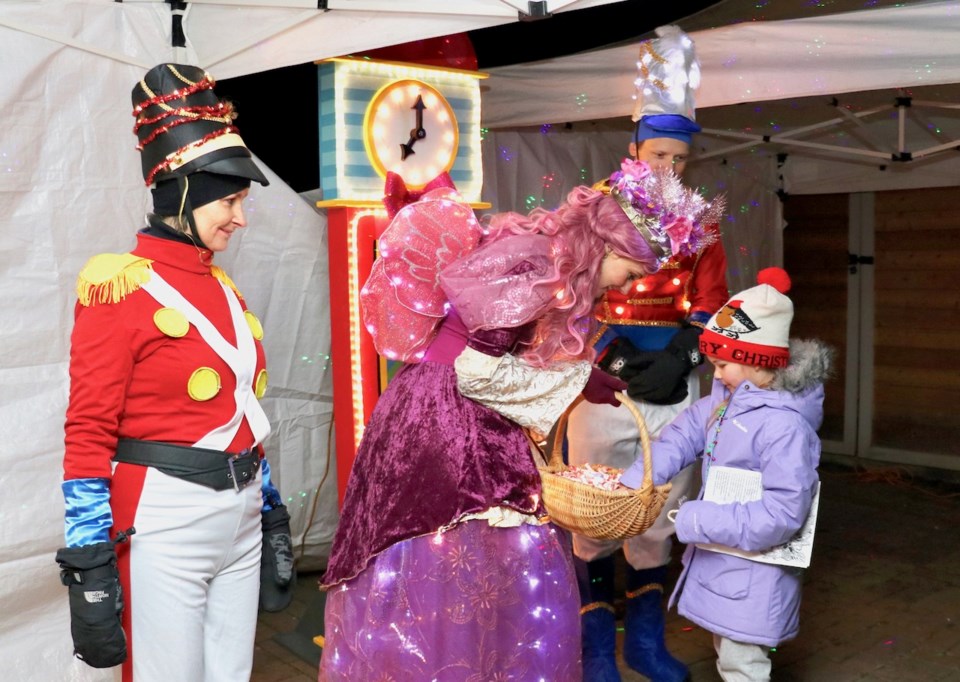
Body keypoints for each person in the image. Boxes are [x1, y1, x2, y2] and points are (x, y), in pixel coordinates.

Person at [317, 157, 722, 680]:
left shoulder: (547, 260)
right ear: (607, 246)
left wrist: (580, 380)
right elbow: (476, 372)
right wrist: (576, 382)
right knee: (456, 575)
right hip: (447, 428)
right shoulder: (536, 262)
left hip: (463, 418)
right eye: (630, 273)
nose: (623, 290)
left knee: (484, 583)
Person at [54, 63, 295, 682]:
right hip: (165, 516)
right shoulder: (119, 287)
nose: (241, 218)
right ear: (183, 192)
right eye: (231, 199)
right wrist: (88, 548)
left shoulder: (224, 287)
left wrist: (267, 506)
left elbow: (240, 406)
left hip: (239, 514)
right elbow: (87, 428)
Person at [565, 25, 729, 682]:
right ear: (633, 148)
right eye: (657, 155)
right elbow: (568, 293)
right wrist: (613, 352)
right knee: (594, 512)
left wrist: (686, 354)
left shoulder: (703, 220)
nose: (667, 170)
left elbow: (710, 303)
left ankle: (646, 644)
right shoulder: (592, 209)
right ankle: (597, 646)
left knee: (660, 513)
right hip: (604, 379)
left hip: (674, 385)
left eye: (679, 160)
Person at [619, 267, 832, 681]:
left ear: (755, 362)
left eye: (721, 364)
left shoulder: (785, 428)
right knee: (729, 653)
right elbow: (680, 437)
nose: (714, 375)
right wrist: (635, 479)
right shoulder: (728, 400)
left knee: (743, 664)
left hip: (755, 573)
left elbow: (783, 512)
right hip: (728, 560)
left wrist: (696, 518)